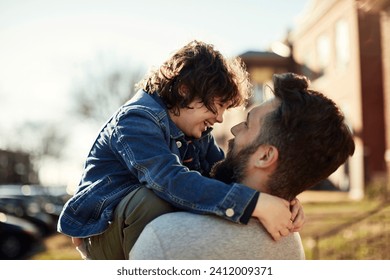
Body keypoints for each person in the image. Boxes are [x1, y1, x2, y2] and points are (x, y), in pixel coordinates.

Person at [57, 41, 304, 260]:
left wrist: (280, 199)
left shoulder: (196, 131)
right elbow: (169, 181)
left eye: (225, 110)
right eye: (217, 106)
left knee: (210, 197)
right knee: (154, 198)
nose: (219, 119)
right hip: (104, 234)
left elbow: (225, 176)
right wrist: (254, 205)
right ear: (185, 90)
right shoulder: (135, 120)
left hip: (149, 229)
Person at [129, 72, 355, 260]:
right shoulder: (290, 244)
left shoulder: (165, 237)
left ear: (265, 156)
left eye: (247, 124)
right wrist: (284, 196)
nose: (235, 129)